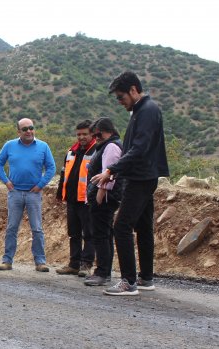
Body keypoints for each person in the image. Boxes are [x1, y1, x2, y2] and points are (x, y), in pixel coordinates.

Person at [91, 71, 169, 296]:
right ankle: (146, 277)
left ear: (134, 90)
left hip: (140, 177)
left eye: (121, 97)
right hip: (143, 176)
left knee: (121, 226)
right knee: (143, 227)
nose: (120, 102)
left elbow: (139, 149)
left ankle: (128, 282)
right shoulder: (142, 110)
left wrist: (112, 170)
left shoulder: (147, 111)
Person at [0, 118, 56, 272]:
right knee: (12, 228)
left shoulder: (43, 146)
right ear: (18, 132)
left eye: (31, 128)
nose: (29, 131)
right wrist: (6, 182)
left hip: (33, 194)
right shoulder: (9, 145)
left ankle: (40, 262)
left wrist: (40, 185)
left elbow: (51, 167)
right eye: (25, 129)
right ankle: (7, 261)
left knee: (37, 228)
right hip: (14, 193)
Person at [83, 118, 123, 286]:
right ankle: (104, 271)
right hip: (104, 197)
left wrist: (100, 194)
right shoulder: (107, 145)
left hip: (105, 198)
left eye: (99, 134)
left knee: (101, 235)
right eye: (95, 134)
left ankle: (102, 273)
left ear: (109, 131)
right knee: (104, 235)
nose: (97, 137)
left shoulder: (111, 147)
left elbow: (109, 173)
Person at [56, 120, 96, 277]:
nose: (81, 137)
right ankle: (74, 264)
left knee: (89, 234)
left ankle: (86, 265)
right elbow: (63, 173)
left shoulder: (96, 151)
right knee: (74, 233)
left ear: (92, 134)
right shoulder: (71, 151)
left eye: (85, 134)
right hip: (72, 199)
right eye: (79, 134)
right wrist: (60, 194)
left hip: (87, 200)